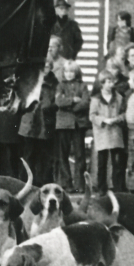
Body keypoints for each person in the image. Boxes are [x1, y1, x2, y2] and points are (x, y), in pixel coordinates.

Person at [53, 61, 90, 192]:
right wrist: (73, 100)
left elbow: (86, 102)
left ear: (76, 72)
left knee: (80, 155)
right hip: (63, 124)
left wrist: (72, 108)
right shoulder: (60, 86)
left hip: (78, 124)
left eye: (72, 71)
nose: (69, 74)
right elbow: (58, 101)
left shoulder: (83, 86)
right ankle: (66, 183)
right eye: (66, 71)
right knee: (63, 154)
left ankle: (80, 184)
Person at [19, 66, 56, 186]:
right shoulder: (29, 81)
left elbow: (56, 101)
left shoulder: (54, 83)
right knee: (28, 154)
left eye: (48, 66)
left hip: (45, 124)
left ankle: (43, 182)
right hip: (29, 123)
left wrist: (48, 106)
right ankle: (26, 181)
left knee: (44, 155)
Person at [90, 69, 126, 194]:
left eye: (112, 81)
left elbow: (124, 114)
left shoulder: (119, 98)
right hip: (102, 134)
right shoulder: (96, 99)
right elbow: (92, 116)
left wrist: (117, 119)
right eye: (108, 81)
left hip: (115, 133)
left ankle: (117, 188)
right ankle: (101, 188)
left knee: (117, 163)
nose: (111, 84)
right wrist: (104, 120)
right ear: (102, 83)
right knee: (102, 164)